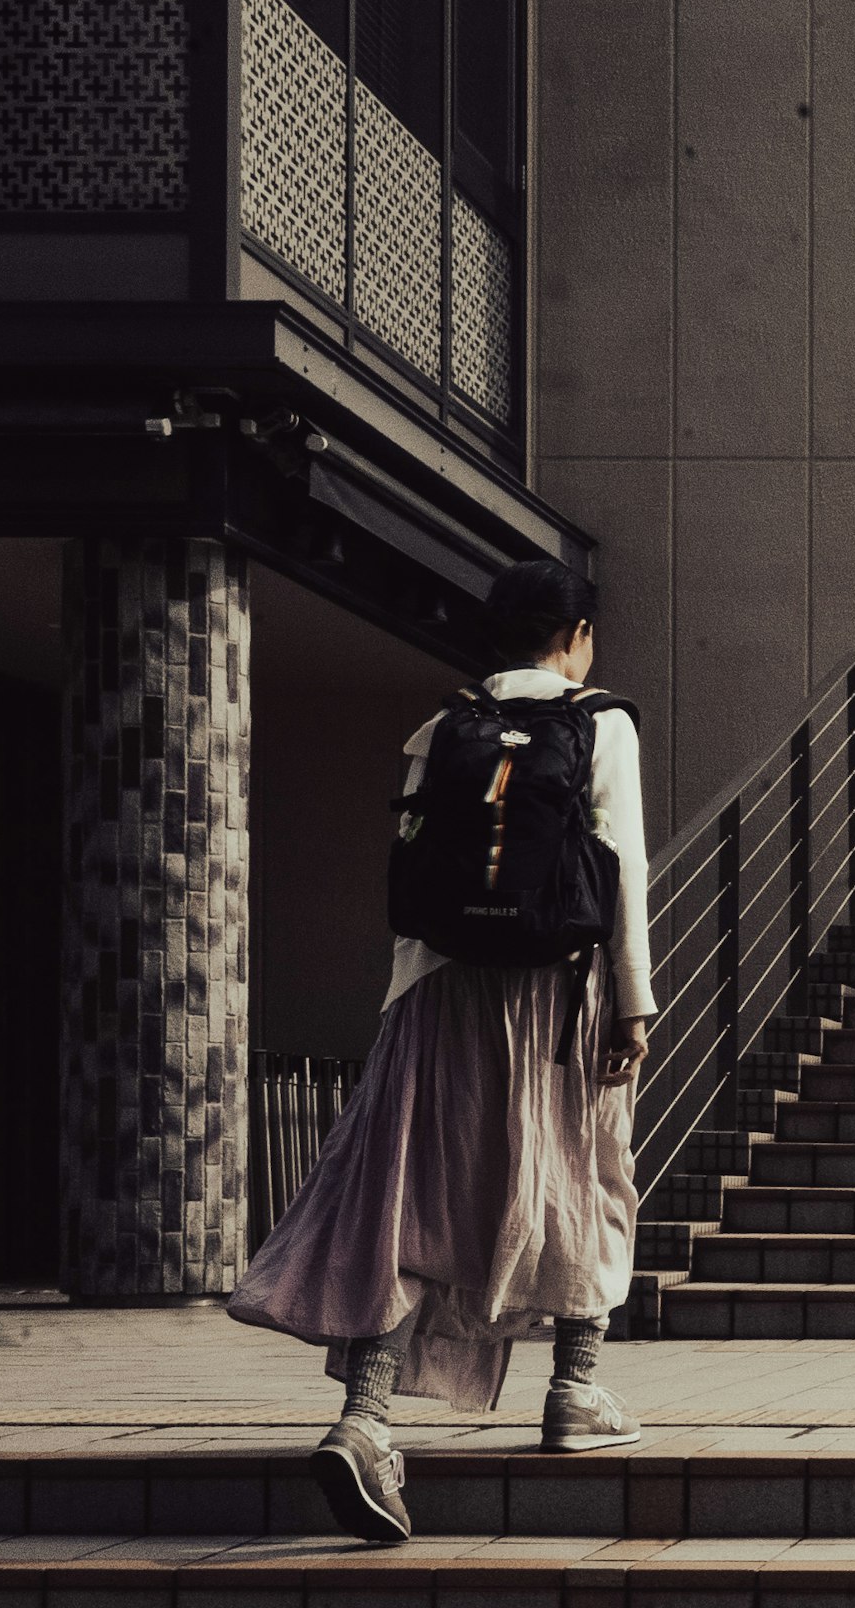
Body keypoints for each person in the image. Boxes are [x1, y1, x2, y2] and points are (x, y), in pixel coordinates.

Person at [227, 559, 655, 1543]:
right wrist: (635, 1003)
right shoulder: (603, 724)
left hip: (434, 992)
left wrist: (401, 1009)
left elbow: (414, 880)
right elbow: (621, 868)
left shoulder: (443, 726)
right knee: (583, 1177)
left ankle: (366, 1418)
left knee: (405, 1199)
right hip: (554, 994)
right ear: (579, 633)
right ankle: (574, 1393)